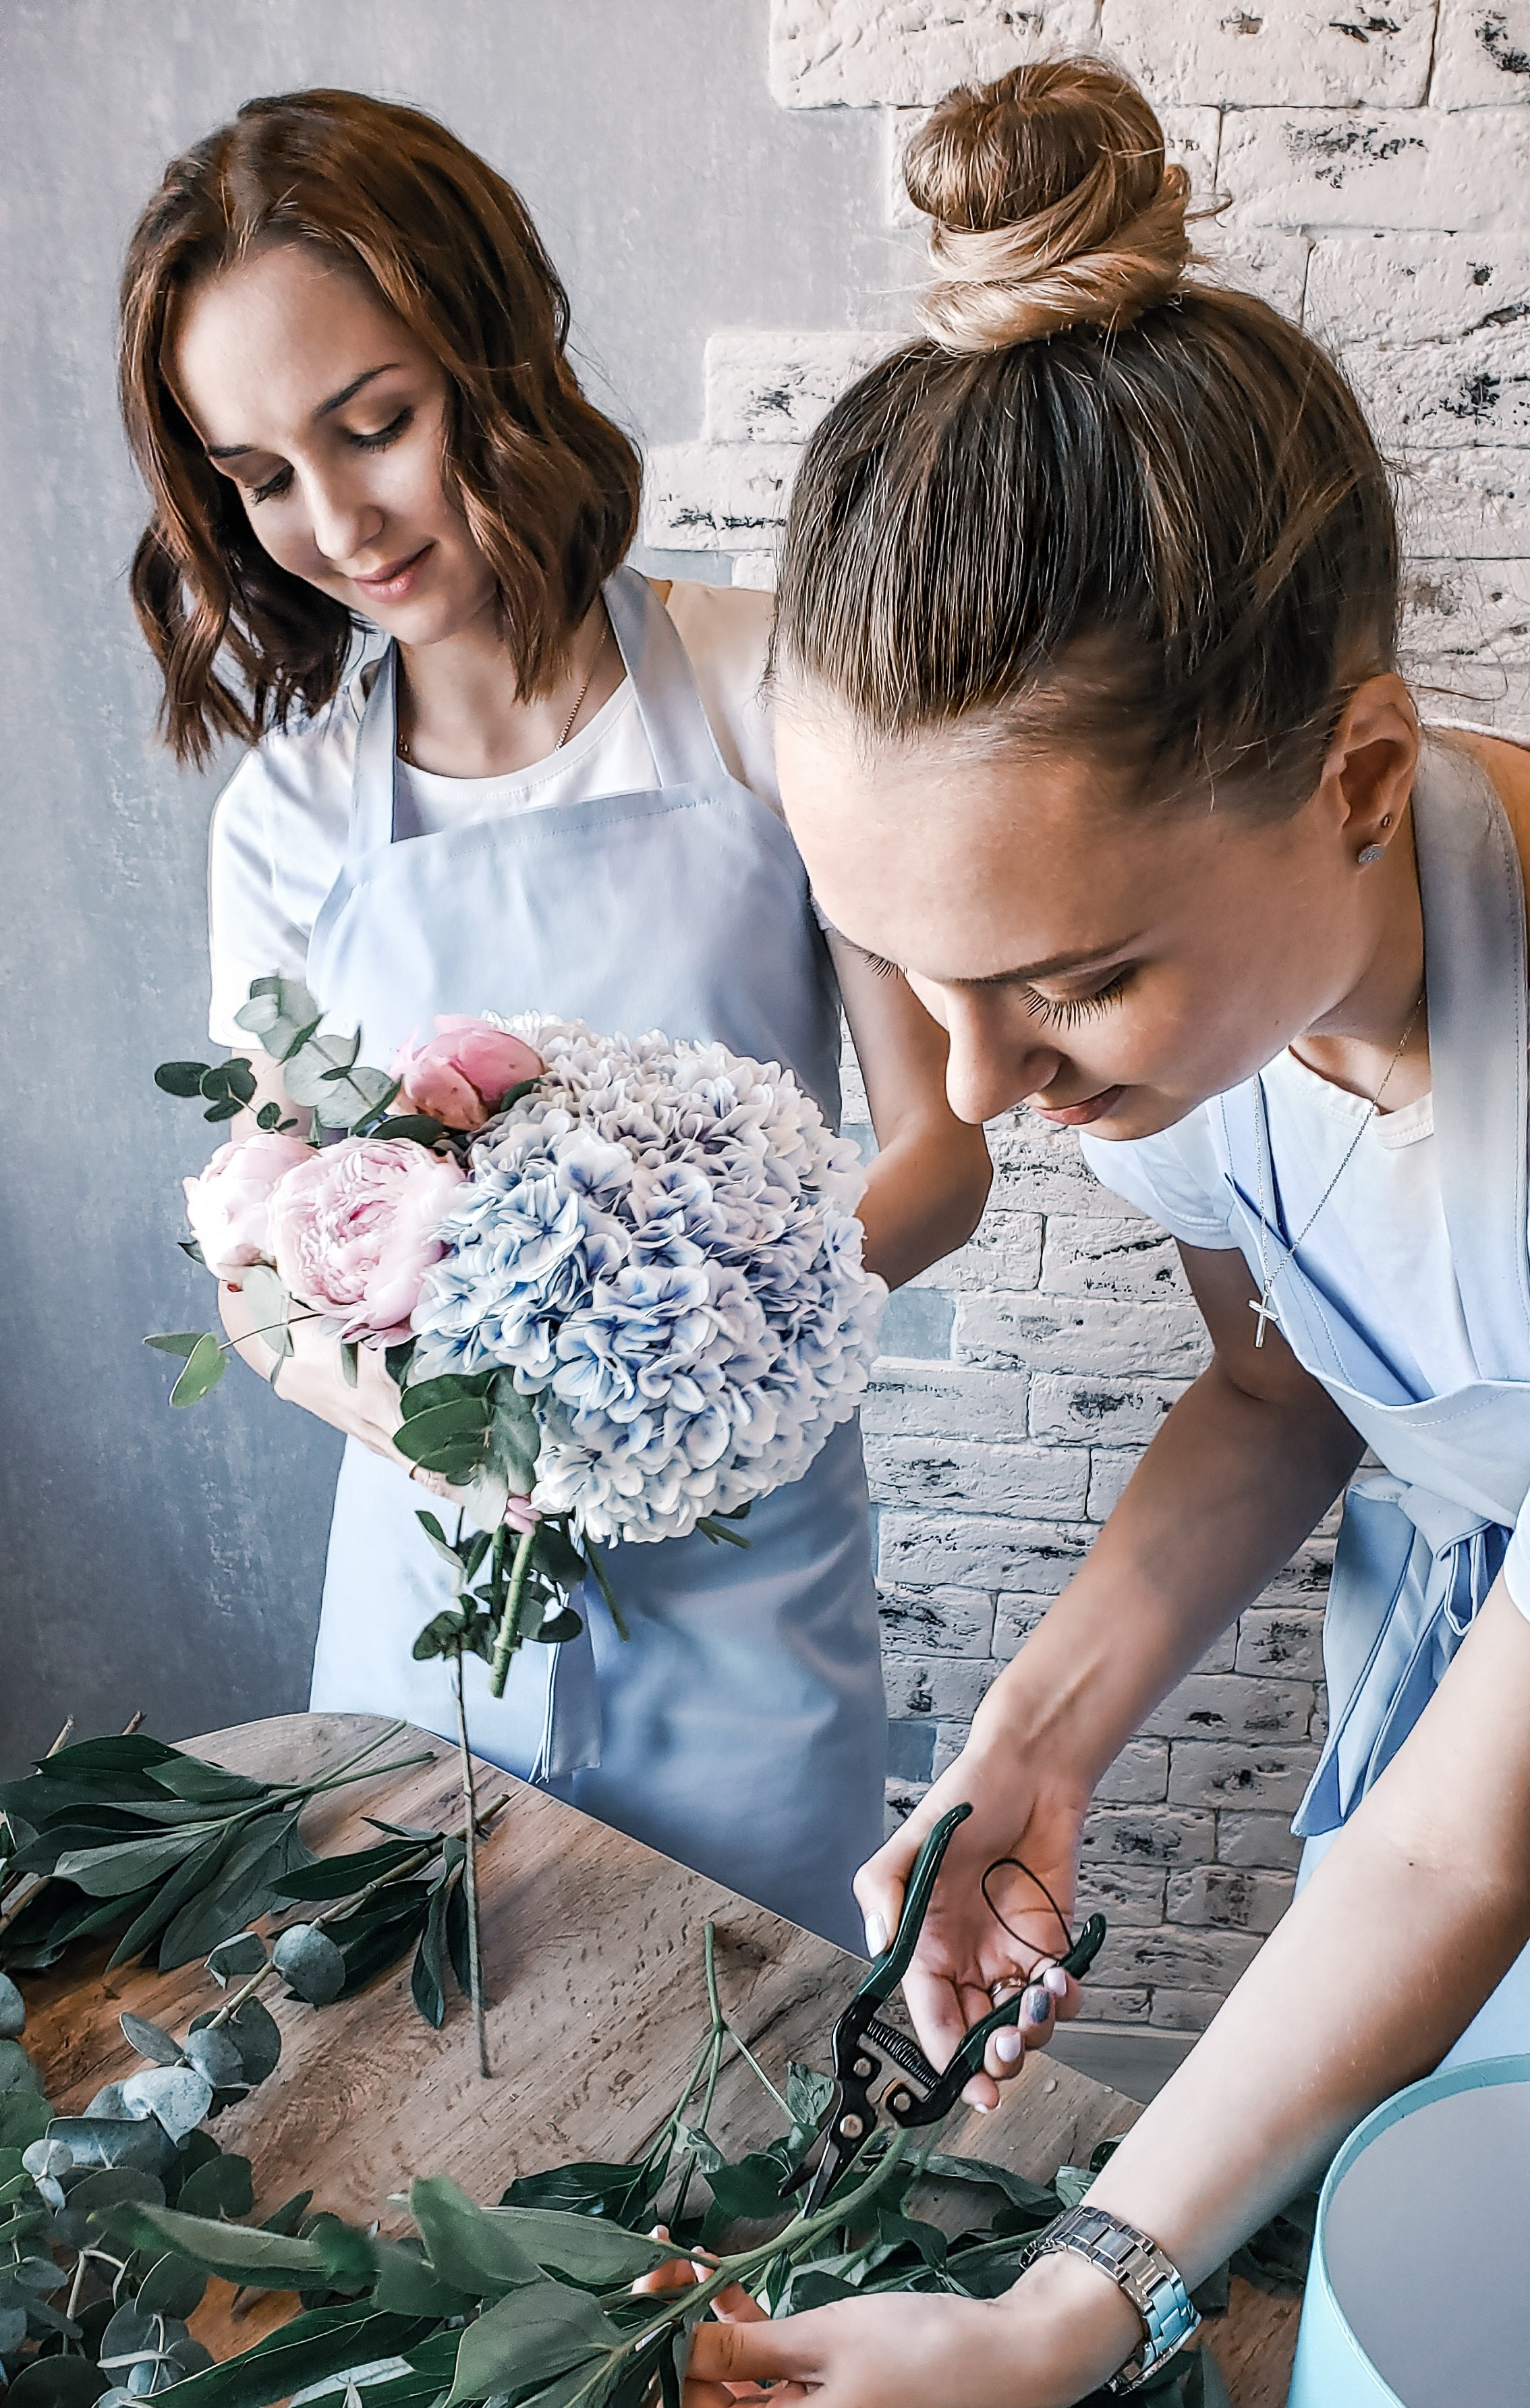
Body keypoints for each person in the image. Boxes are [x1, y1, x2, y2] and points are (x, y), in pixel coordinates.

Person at [635, 55, 1530, 2408]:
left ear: (1355, 778)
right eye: (918, 980)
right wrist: (1031, 1746)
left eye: (1061, 981)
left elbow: (1466, 1851)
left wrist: (1059, 2313)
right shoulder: (1194, 1016)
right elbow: (1279, 1396)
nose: (988, 1084)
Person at [118, 89, 991, 1951]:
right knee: (448, 2065)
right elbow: (267, 1267)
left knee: (747, 2072)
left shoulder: (767, 687)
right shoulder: (286, 822)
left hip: (753, 1565)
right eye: (264, 475)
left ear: (496, 358)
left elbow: (940, 1149)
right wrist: (470, 1435)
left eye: (376, 425)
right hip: (439, 1576)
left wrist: (693, 1362)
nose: (337, 522)